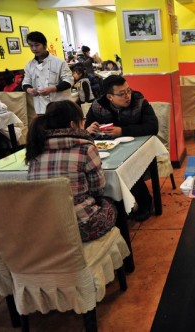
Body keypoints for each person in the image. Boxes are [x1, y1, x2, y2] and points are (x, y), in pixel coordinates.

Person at [25, 100, 116, 242]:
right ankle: (123, 261)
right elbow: (98, 189)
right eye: (82, 122)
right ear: (73, 125)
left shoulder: (35, 146)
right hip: (80, 227)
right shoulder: (86, 148)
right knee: (113, 203)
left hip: (46, 227)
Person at [85, 75, 159, 221]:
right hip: (107, 150)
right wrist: (89, 128)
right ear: (109, 97)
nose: (127, 96)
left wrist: (123, 131)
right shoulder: (97, 106)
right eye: (122, 94)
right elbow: (87, 127)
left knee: (129, 168)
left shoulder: (139, 102)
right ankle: (113, 206)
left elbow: (152, 127)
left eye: (128, 91)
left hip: (137, 148)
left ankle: (145, 204)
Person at [22, 31, 73, 114]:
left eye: (37, 45)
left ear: (44, 45)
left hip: (59, 106)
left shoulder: (59, 62)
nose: (34, 48)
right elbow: (25, 82)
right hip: (40, 108)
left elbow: (69, 81)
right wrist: (29, 89)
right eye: (31, 46)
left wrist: (52, 89)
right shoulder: (29, 65)